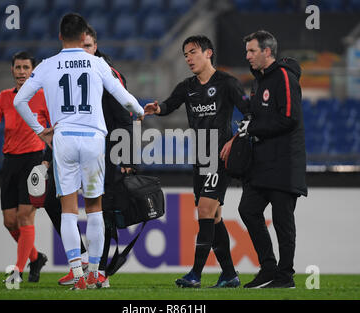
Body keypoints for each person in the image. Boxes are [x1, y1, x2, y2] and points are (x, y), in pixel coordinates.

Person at [14, 13, 144, 290]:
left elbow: (19, 100)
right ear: (83, 34)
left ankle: (77, 273)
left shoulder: (48, 65)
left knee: (69, 210)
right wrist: (141, 111)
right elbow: (125, 99)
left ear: (60, 36)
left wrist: (41, 130)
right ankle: (96, 273)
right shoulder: (97, 63)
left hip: (64, 139)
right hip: (94, 139)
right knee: (95, 208)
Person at [144, 35, 249, 288]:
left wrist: (234, 140)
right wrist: (157, 109)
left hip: (219, 157)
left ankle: (195, 274)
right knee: (212, 217)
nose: (189, 58)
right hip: (200, 156)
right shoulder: (187, 86)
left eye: (193, 52)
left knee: (204, 211)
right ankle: (229, 275)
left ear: (208, 53)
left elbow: (250, 113)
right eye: (185, 54)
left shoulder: (227, 83)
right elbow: (169, 105)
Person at [45, 25, 135, 288]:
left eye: (88, 45)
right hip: (71, 148)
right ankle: (84, 259)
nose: (82, 50)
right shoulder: (69, 70)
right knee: (53, 202)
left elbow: (124, 118)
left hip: (103, 151)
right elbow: (58, 118)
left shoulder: (107, 72)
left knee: (101, 211)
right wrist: (47, 154)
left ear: (95, 47)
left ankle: (100, 271)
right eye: (80, 45)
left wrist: (126, 157)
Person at [236, 30, 307, 288]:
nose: (248, 56)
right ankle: (268, 268)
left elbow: (289, 118)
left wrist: (252, 130)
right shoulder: (259, 81)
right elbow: (256, 117)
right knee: (248, 210)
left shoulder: (285, 78)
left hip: (285, 162)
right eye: (247, 51)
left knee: (282, 221)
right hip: (263, 162)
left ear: (267, 52)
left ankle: (285, 276)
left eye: (252, 51)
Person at [0, 51, 49, 283]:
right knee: (9, 221)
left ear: (33, 71)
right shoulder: (4, 97)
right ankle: (36, 257)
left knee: (24, 217)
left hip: (33, 161)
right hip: (10, 161)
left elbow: (54, 126)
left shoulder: (42, 97)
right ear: (12, 70)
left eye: (25, 68)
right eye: (17, 68)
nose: (21, 72)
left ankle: (18, 270)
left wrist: (47, 158)